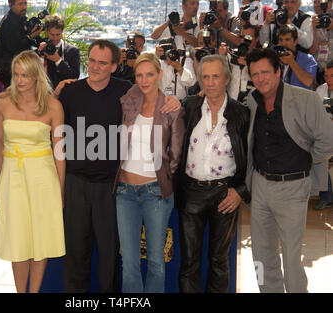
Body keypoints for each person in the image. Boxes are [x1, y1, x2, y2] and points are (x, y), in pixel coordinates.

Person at [57, 39, 181, 293]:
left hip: (111, 187)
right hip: (76, 183)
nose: (95, 67)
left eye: (103, 63)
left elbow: (156, 96)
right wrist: (56, 89)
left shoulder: (126, 92)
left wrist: (177, 101)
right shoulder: (70, 92)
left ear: (114, 66)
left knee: (110, 257)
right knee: (75, 254)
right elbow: (50, 123)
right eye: (91, 60)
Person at [245, 48, 333, 293]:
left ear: (279, 71)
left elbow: (328, 140)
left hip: (293, 186)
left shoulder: (306, 99)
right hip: (261, 185)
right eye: (255, 74)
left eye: (265, 72)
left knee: (292, 257)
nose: (260, 79)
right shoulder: (252, 101)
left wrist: (305, 160)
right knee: (261, 255)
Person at [177, 54, 250, 293]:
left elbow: (254, 158)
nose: (210, 82)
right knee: (189, 262)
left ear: (227, 79)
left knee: (219, 262)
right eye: (205, 77)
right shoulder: (190, 106)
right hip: (192, 192)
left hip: (225, 194)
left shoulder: (242, 113)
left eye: (215, 76)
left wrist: (240, 191)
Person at [0, 50, 66, 293]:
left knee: (40, 239)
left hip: (43, 179)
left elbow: (59, 153)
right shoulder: (2, 101)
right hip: (12, 176)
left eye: (25, 75)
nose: (20, 80)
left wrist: (61, 189)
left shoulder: (54, 106)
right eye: (16, 75)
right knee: (18, 239)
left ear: (37, 76)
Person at [114, 53, 184, 293]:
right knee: (129, 263)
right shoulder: (127, 101)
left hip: (155, 192)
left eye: (150, 75)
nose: (144, 80)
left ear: (160, 74)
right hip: (124, 193)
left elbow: (175, 156)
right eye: (139, 75)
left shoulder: (170, 108)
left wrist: (158, 178)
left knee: (156, 261)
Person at [0, 0, 42, 88]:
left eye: (25, 3)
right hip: (9, 71)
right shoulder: (9, 22)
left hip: (15, 68)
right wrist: (30, 37)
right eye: (20, 4)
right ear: (10, 5)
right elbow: (15, 48)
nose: (24, 7)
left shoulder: (19, 19)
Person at [39, 15, 80, 89]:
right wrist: (41, 57)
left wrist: (58, 60)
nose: (55, 38)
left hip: (65, 95)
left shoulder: (73, 51)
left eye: (58, 35)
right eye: (52, 35)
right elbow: (33, 75)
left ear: (62, 32)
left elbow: (75, 76)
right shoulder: (40, 49)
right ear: (47, 32)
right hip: (44, 94)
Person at [314, 60, 333, 210]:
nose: (329, 79)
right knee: (320, 158)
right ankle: (326, 196)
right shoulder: (320, 90)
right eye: (326, 75)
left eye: (332, 76)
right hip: (324, 134)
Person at [277, 24, 317, 90]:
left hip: (300, 99)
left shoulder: (308, 59)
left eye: (287, 39)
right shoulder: (274, 58)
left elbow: (309, 82)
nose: (283, 44)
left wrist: (291, 62)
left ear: (295, 42)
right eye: (281, 40)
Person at [310, 0, 333, 86]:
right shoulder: (310, 21)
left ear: (330, 3)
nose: (317, 5)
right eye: (315, 2)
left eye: (320, 2)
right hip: (318, 72)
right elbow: (312, 50)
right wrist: (314, 29)